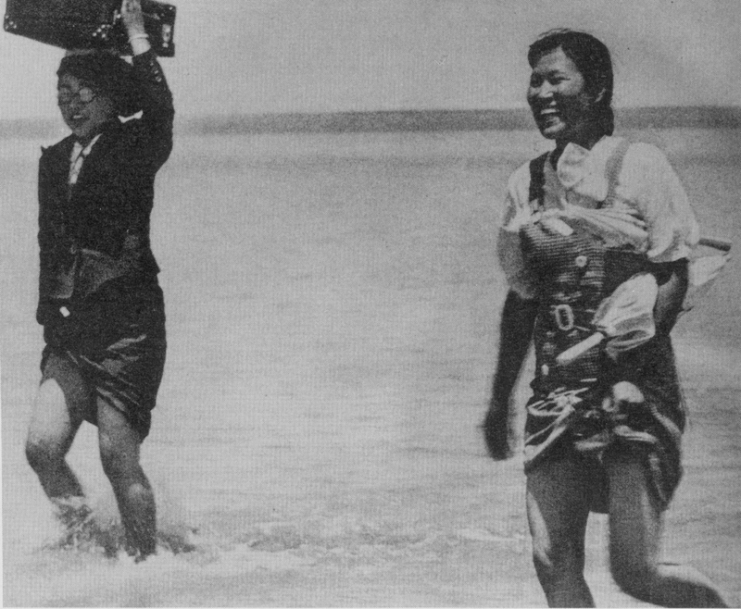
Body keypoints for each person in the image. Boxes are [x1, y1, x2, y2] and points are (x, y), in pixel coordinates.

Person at [483, 29, 730, 607]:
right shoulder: (526, 183)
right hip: (556, 393)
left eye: (555, 79)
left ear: (595, 90)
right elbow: (522, 300)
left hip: (633, 387)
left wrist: (627, 362)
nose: (541, 92)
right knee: (550, 559)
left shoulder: (641, 165)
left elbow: (674, 273)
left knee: (636, 572)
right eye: (535, 81)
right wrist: (499, 401)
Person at [24, 0, 173, 561]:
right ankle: (88, 546)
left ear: (112, 97)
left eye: (84, 90)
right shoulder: (53, 159)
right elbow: (49, 243)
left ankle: (145, 568)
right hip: (72, 328)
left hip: (128, 329)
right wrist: (48, 308)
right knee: (41, 447)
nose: (71, 101)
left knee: (118, 459)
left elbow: (160, 110)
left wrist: (138, 35)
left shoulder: (136, 147)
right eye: (63, 90)